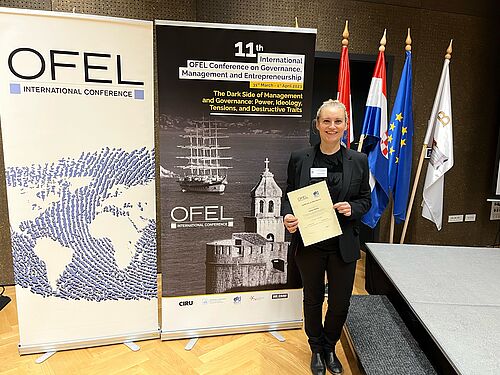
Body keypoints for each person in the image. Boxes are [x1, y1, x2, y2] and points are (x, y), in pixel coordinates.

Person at [282, 99, 371, 375]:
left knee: (340, 301)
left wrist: (351, 208)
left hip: (343, 243)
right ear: (317, 125)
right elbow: (290, 192)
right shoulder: (300, 158)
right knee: (312, 299)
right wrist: (288, 216)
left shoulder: (359, 160)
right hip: (310, 243)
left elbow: (366, 200)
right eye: (326, 121)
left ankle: (330, 345)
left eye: (338, 121)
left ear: (345, 126)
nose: (332, 126)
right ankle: (316, 349)